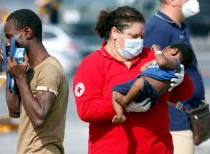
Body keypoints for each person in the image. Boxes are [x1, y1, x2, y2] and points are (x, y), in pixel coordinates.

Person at [73, 6, 193, 154]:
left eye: (142, 36)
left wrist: (182, 78)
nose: (140, 41)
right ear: (115, 33)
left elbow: (183, 95)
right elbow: (86, 110)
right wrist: (125, 106)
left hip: (157, 148)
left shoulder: (153, 57)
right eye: (133, 36)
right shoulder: (92, 63)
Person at [0, 9, 69, 154]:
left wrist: (20, 78)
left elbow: (39, 118)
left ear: (27, 32)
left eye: (9, 37)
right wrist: (10, 72)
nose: (6, 44)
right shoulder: (26, 70)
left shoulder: (49, 68)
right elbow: (14, 111)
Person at [144, 0, 205, 153]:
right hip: (174, 119)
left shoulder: (179, 25)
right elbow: (147, 72)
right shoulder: (159, 28)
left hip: (187, 115)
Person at [112, 43, 194, 123]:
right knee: (115, 90)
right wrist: (152, 63)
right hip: (140, 85)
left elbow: (162, 62)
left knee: (139, 82)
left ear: (174, 51)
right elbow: (142, 69)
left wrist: (158, 51)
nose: (161, 52)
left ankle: (125, 101)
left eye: (164, 50)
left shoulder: (175, 62)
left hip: (150, 89)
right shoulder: (159, 62)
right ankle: (120, 115)